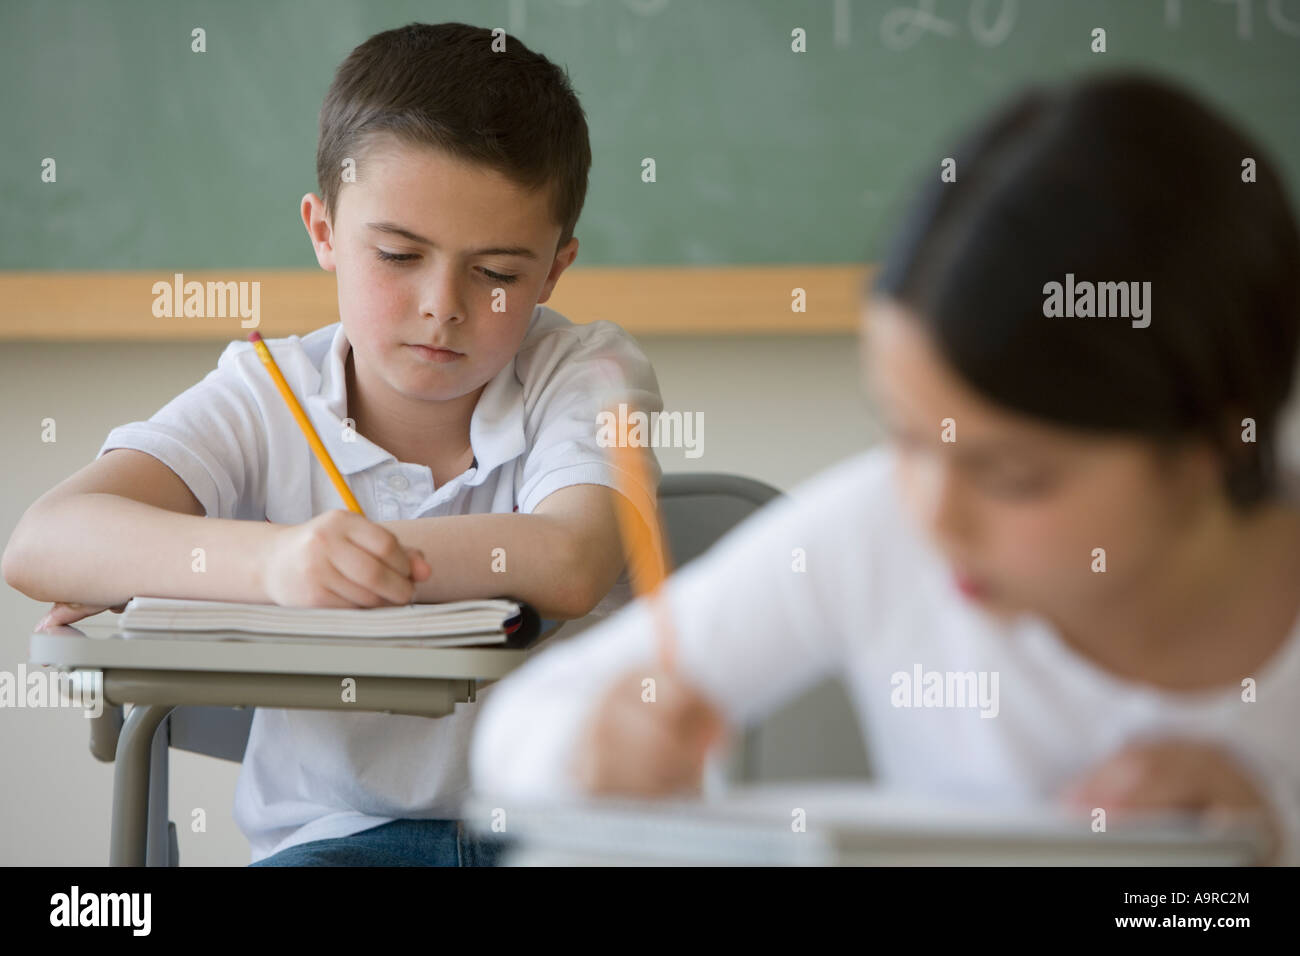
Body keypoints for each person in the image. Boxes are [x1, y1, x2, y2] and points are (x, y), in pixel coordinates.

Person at [469, 73, 1300, 866]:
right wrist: (593, 751)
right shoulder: (881, 527)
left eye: (1012, 475)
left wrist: (1260, 851)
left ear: (1214, 447)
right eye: (905, 436)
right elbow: (523, 728)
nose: (936, 517)